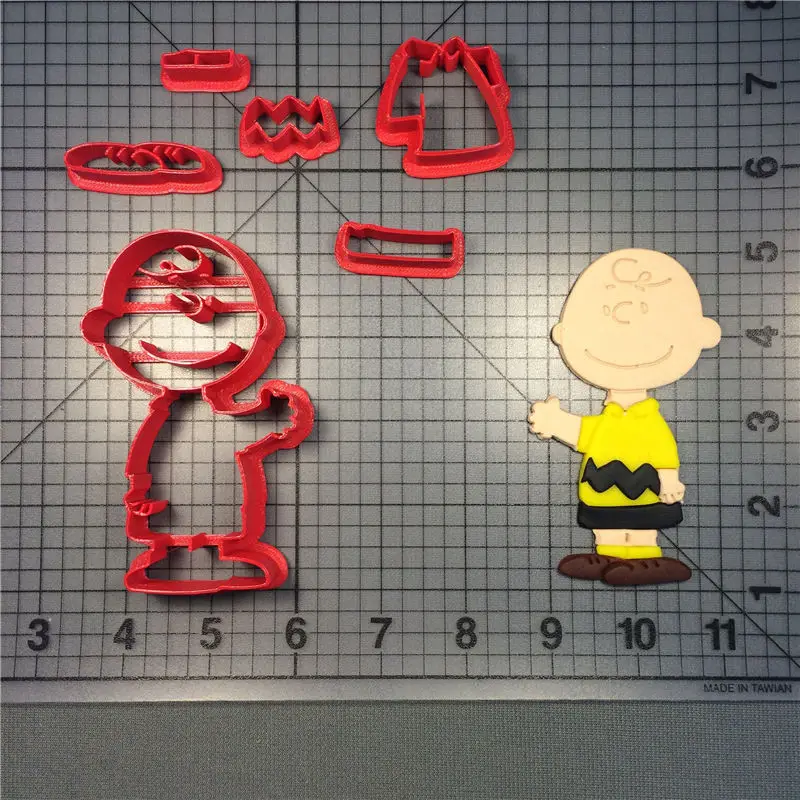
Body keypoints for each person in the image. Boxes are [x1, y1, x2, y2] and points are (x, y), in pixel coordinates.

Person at [528, 249, 721, 585]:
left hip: (645, 485)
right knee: (607, 525)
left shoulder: (649, 421)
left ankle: (648, 558)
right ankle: (608, 554)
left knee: (642, 525)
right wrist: (555, 422)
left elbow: (663, 450)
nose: (625, 318)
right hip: (603, 486)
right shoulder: (608, 420)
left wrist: (669, 478)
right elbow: (585, 432)